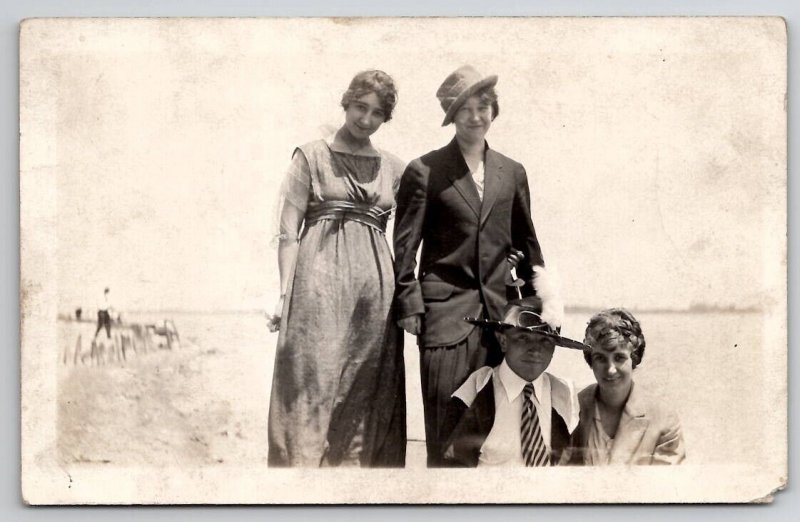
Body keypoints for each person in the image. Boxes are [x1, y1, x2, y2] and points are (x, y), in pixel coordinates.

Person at [393, 65, 546, 466]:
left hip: (503, 322)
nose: (476, 116)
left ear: (494, 110)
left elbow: (528, 244)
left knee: (498, 437)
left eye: (483, 106)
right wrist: (410, 305)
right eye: (466, 109)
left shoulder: (512, 172)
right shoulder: (424, 170)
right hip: (445, 320)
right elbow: (405, 247)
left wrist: (541, 302)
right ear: (452, 117)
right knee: (447, 436)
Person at [267, 70, 407, 467]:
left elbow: (413, 234)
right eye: (360, 107)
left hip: (375, 293)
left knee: (366, 382)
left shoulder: (395, 168)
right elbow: (288, 232)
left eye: (377, 113)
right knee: (312, 375)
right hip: (318, 285)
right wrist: (282, 294)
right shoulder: (310, 155)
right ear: (346, 103)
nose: (366, 119)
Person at [441, 291, 586, 467]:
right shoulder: (475, 391)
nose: (535, 349)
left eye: (546, 341)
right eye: (523, 338)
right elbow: (450, 468)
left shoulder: (563, 395)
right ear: (503, 341)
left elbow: (572, 464)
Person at [568, 309, 686, 465]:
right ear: (590, 361)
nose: (610, 369)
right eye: (600, 358)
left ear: (634, 359)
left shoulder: (663, 419)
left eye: (619, 358)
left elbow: (665, 485)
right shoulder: (573, 407)